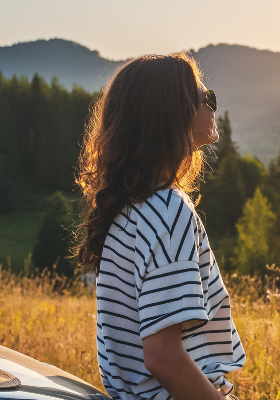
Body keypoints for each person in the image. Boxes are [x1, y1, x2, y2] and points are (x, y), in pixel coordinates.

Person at [74, 54, 244, 400]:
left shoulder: (132, 205)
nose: (213, 106)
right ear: (173, 114)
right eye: (206, 98)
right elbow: (164, 358)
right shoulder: (168, 211)